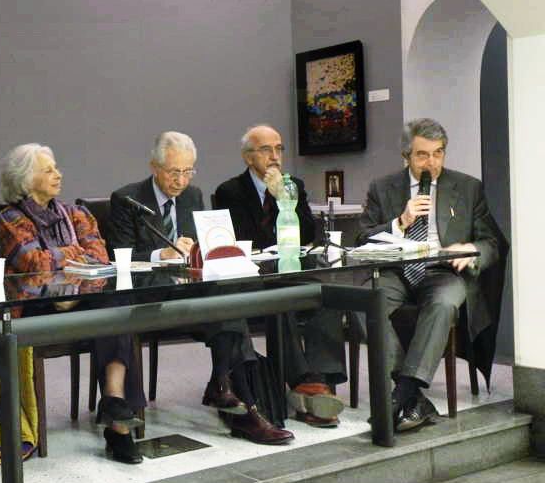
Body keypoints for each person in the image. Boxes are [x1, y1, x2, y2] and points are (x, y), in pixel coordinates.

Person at [107, 131, 294, 445]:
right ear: (155, 167)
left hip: (189, 292)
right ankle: (240, 404)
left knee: (228, 299)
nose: (181, 180)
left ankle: (229, 390)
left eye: (188, 171)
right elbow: (118, 255)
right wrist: (160, 254)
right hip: (147, 296)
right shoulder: (127, 199)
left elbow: (202, 246)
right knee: (228, 311)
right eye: (173, 172)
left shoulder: (193, 196)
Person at [0, 143, 147, 464]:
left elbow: (100, 258)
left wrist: (70, 284)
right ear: (25, 179)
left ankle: (114, 403)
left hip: (80, 298)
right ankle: (118, 427)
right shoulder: (10, 218)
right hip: (36, 305)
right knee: (110, 312)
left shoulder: (76, 212)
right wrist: (73, 255)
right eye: (48, 170)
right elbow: (33, 265)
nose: (58, 174)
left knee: (118, 302)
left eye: (56, 168)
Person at [358, 118, 501, 431]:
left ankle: (402, 393)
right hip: (397, 270)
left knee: (443, 304)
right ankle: (413, 396)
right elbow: (362, 238)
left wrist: (471, 249)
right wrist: (400, 222)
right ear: (406, 156)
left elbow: (492, 243)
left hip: (444, 271)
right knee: (362, 301)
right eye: (422, 155)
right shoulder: (382, 187)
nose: (432, 162)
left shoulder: (468, 187)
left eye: (438, 153)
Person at [214, 125, 347, 427]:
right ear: (248, 157)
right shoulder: (229, 191)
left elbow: (309, 233)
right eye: (266, 150)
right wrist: (277, 202)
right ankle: (303, 382)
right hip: (252, 278)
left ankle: (322, 379)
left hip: (290, 269)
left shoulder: (293, 185)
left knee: (325, 291)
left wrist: (284, 199)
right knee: (282, 298)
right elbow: (241, 239)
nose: (275, 156)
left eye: (279, 149)